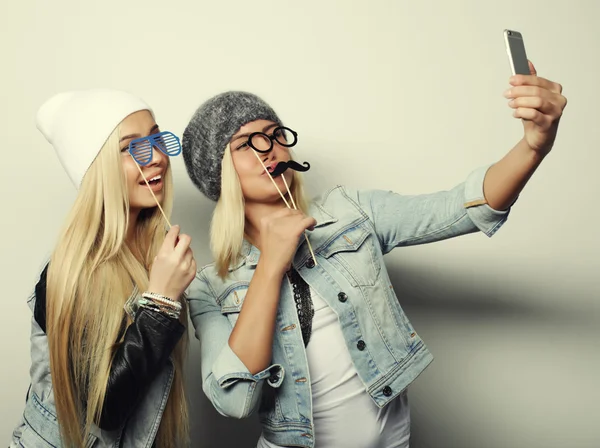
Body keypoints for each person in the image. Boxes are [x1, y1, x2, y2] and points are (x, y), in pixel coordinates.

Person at [182, 62, 566, 448]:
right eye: (246, 143)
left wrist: (534, 146)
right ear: (218, 174)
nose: (269, 149)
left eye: (273, 134)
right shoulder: (209, 287)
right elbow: (233, 400)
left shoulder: (349, 211)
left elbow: (460, 208)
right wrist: (270, 265)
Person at [10, 89, 196, 448]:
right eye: (132, 147)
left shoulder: (152, 257)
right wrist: (160, 305)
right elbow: (103, 411)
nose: (157, 156)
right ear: (96, 168)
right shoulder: (71, 271)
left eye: (156, 138)